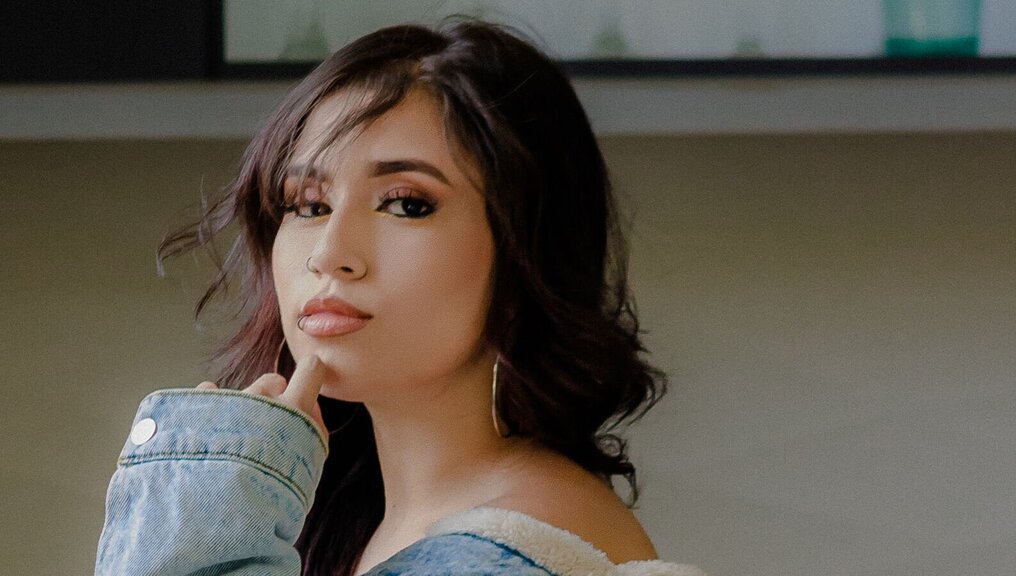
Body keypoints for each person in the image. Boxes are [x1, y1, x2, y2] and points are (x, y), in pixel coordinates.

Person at [94, 17, 704, 576]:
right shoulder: (359, 520)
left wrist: (197, 508)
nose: (329, 252)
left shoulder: (514, 550)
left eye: (407, 204)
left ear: (526, 255)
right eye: (309, 205)